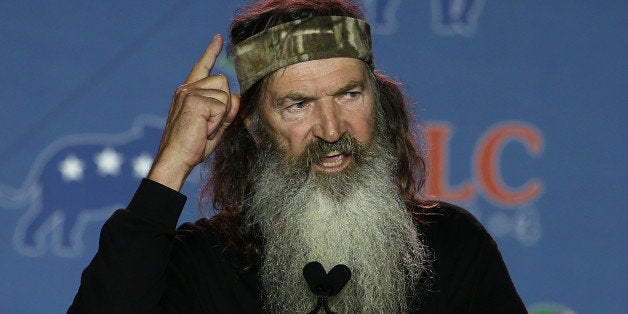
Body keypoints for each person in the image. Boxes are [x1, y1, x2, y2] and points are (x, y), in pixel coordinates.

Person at [69, 0, 526, 313]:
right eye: (298, 104)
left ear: (379, 102)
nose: (331, 130)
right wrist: (171, 165)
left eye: (349, 94)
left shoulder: (453, 246)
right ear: (252, 124)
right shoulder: (203, 263)